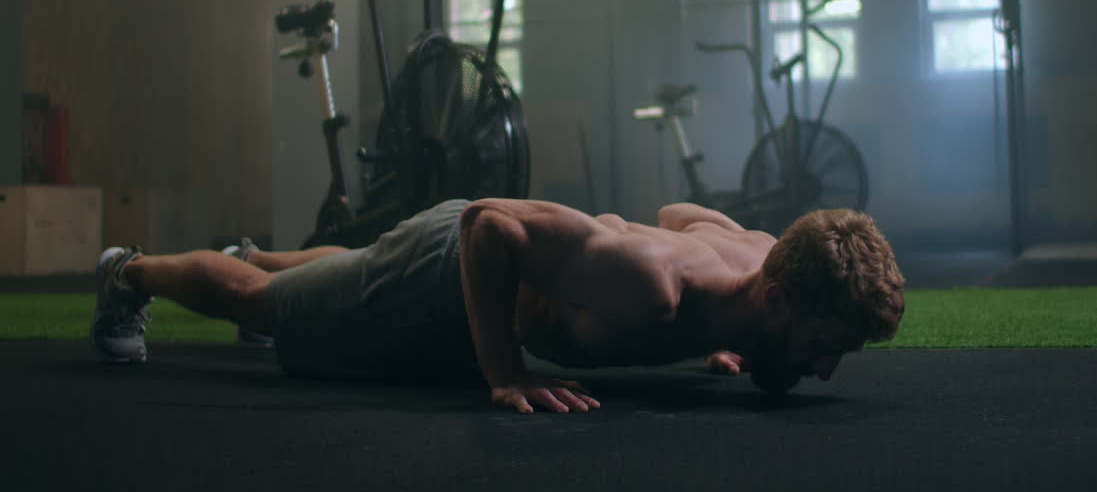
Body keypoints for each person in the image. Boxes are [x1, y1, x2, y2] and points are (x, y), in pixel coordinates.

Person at [90, 198, 906, 414]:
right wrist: (503, 369)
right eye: (821, 344)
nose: (823, 367)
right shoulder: (651, 285)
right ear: (775, 297)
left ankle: (256, 256)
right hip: (454, 269)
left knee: (348, 270)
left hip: (475, 257)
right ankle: (130, 275)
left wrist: (733, 342)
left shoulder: (757, 250)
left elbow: (673, 212)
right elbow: (491, 226)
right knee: (265, 307)